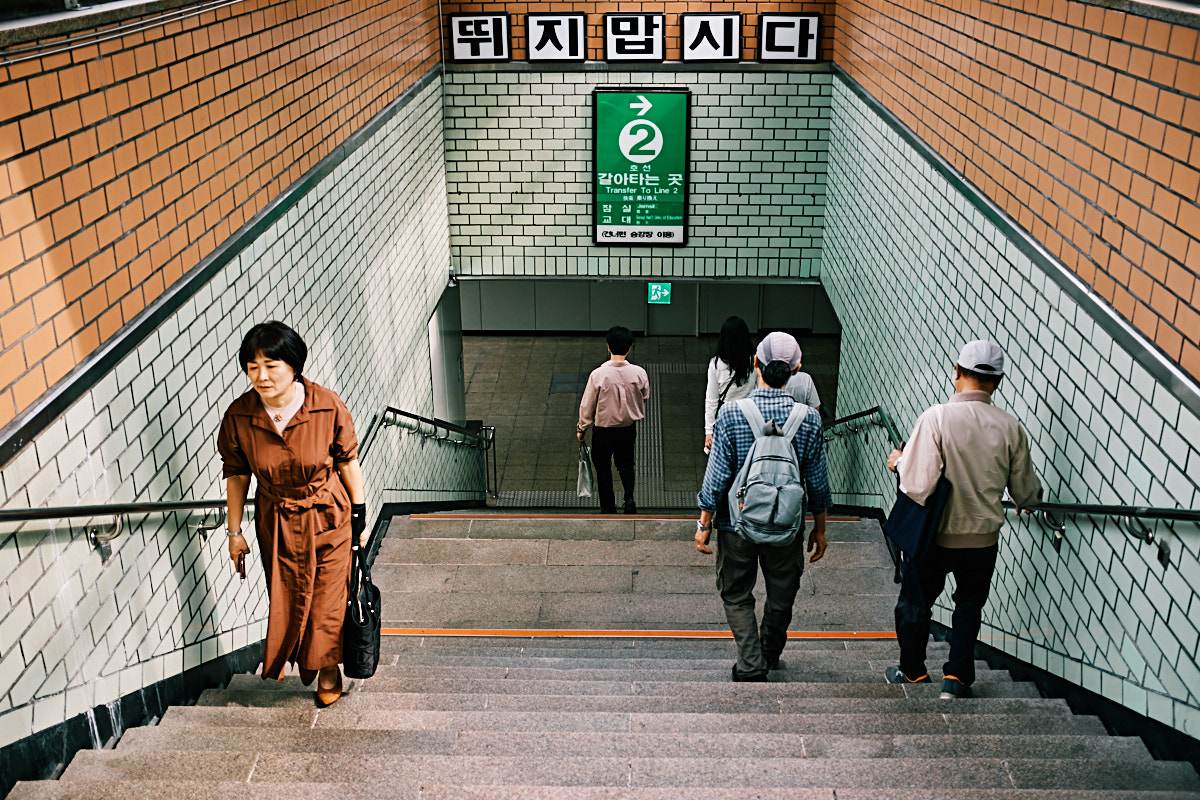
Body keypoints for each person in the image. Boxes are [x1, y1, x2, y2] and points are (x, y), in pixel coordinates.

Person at [218, 321, 369, 707]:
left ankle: (328, 666)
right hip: (278, 521)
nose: (262, 376)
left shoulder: (326, 404)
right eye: (253, 367)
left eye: (272, 366)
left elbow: (348, 462)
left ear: (294, 365)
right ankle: (308, 657)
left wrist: (360, 518)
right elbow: (237, 476)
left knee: (327, 599)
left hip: (329, 515)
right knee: (288, 594)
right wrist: (234, 533)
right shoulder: (240, 416)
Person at [884, 340, 1042, 699]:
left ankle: (912, 671)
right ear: (998, 382)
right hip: (982, 539)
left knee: (916, 602)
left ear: (957, 372)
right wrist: (1030, 501)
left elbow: (917, 484)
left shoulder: (936, 417)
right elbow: (1026, 490)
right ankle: (956, 677)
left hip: (935, 537)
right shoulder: (1010, 427)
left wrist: (898, 462)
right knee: (969, 604)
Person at [695, 331, 832, 682]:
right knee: (782, 593)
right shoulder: (809, 420)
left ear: (756, 363)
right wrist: (820, 527)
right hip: (786, 526)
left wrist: (704, 523)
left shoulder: (731, 414)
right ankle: (769, 655)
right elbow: (816, 480)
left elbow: (717, 476)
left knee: (737, 593)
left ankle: (751, 664)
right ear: (796, 369)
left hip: (735, 524)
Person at [577, 325, 650, 514]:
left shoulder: (598, 375)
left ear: (608, 346)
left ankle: (608, 507)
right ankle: (629, 499)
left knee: (603, 468)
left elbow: (587, 405)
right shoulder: (639, 373)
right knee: (626, 464)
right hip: (627, 428)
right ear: (629, 348)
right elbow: (645, 394)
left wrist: (582, 428)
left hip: (603, 430)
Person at [703, 316, 756, 454]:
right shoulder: (755, 361)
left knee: (726, 457)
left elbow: (711, 400)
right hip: (750, 414)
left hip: (726, 416)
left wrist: (709, 431)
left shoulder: (716, 364)